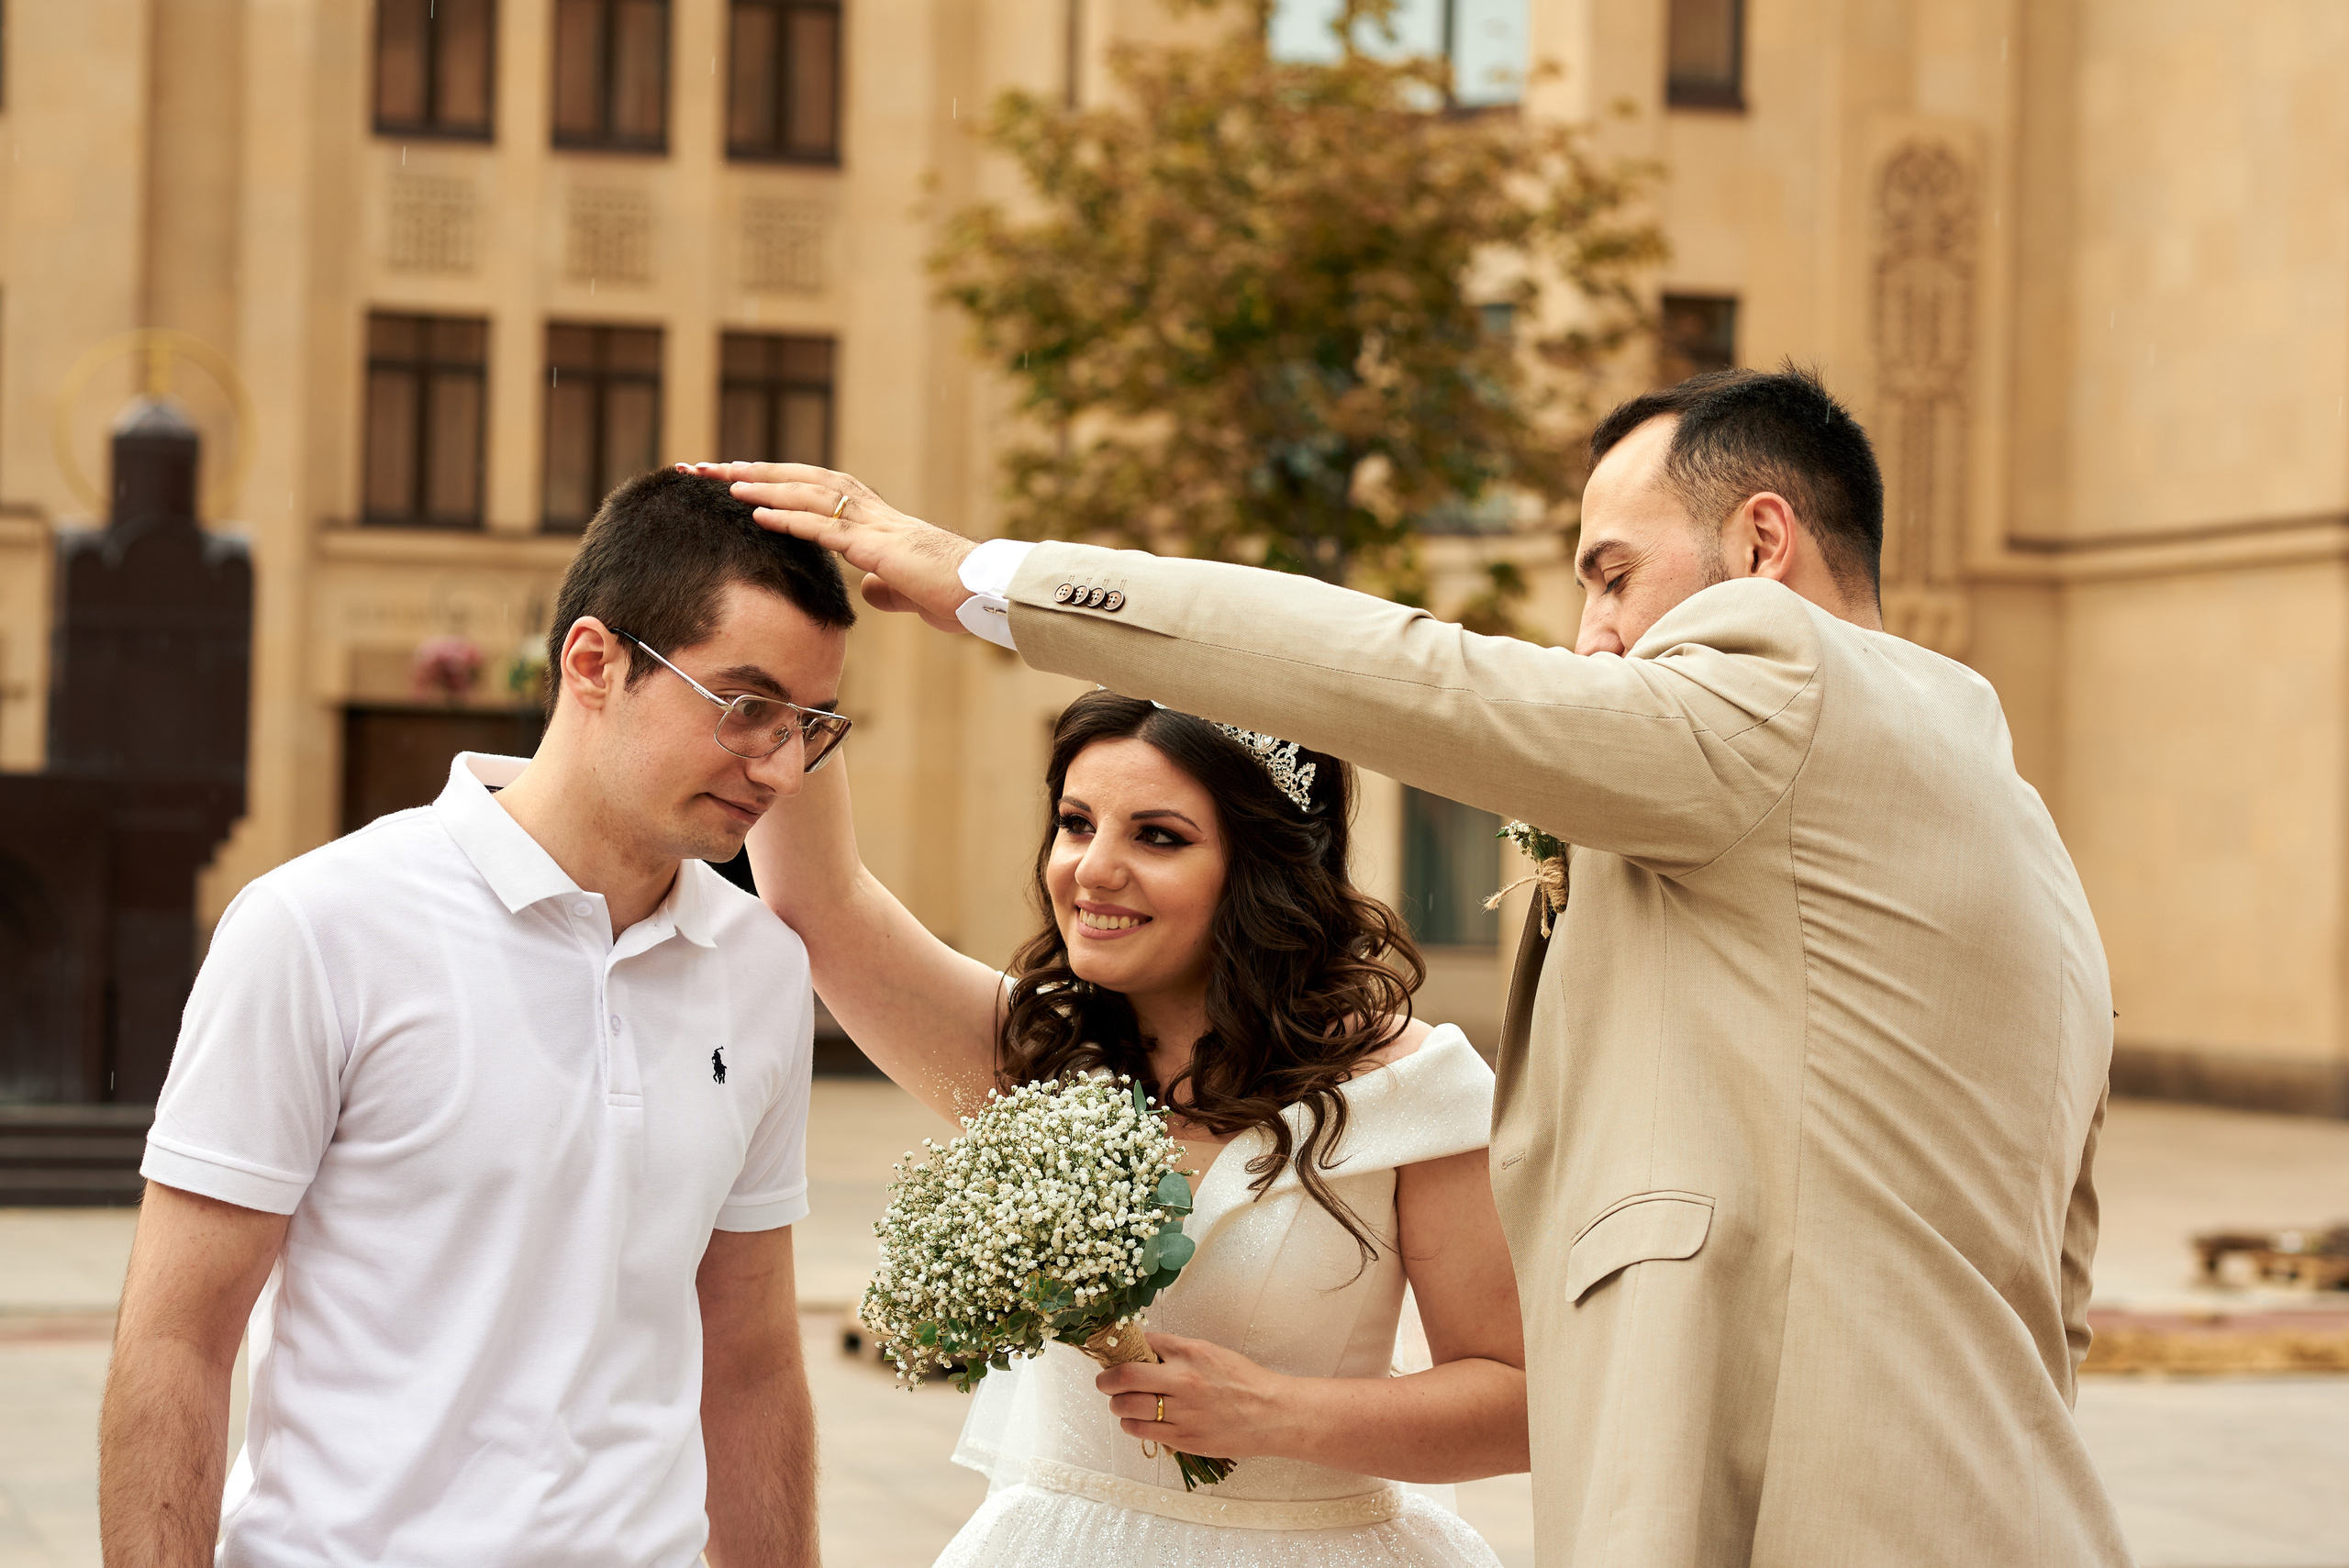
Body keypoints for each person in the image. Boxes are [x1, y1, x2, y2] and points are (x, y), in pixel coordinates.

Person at [687, 364, 2133, 1566]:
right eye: (1073, 822)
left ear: (1762, 550)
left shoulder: (1787, 683)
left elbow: (1422, 679)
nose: (1593, 636)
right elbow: (2039, 1290)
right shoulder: (2022, 852)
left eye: (1613, 573)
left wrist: (989, 580)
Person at [99, 471, 852, 1568]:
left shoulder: (762, 968)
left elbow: (749, 1359)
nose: (781, 765)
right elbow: (178, 1338)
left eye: (811, 724)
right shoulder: (318, 926)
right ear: (593, 663)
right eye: (746, 708)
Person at [746, 687, 1527, 1565]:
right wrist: (798, 662)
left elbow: (1517, 1405)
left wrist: (1277, 1412)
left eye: (1158, 835)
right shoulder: (1028, 1054)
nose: (1093, 868)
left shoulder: (1408, 1087)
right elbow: (820, 897)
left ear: (1264, 866)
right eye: (1077, 823)